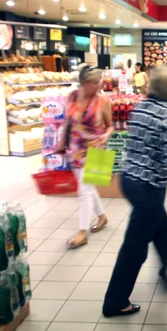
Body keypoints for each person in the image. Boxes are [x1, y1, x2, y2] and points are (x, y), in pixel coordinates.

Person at [102, 65, 167, 317]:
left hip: (129, 179)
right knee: (134, 248)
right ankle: (115, 301)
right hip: (148, 188)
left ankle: (165, 274)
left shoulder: (142, 106)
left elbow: (148, 144)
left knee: (163, 230)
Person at [56, 64, 115, 249]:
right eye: (94, 82)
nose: (98, 86)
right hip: (75, 149)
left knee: (84, 190)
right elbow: (68, 121)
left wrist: (106, 135)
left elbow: (110, 125)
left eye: (99, 82)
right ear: (83, 82)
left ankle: (82, 232)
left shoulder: (103, 101)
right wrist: (61, 142)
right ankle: (102, 217)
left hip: (97, 149)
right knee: (88, 189)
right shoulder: (71, 97)